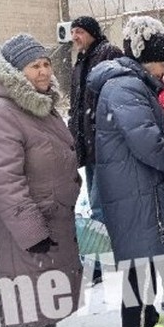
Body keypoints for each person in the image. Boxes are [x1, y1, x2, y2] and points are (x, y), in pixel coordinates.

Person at [88, 16, 164, 327]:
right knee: (137, 283)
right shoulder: (125, 86)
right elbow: (148, 143)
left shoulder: (133, 85)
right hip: (136, 198)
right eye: (162, 62)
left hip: (141, 194)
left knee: (143, 279)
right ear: (144, 59)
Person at [0, 33, 87, 327]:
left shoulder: (41, 106)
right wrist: (31, 231)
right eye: (32, 66)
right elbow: (4, 179)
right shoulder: (2, 111)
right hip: (24, 226)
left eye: (45, 64)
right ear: (13, 72)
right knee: (25, 299)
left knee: (47, 294)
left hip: (53, 219)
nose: (42, 72)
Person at [67, 17, 124, 285]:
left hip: (104, 145)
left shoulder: (107, 54)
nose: (75, 36)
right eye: (73, 32)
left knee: (101, 205)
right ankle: (107, 255)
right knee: (98, 202)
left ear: (91, 33)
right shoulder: (81, 61)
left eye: (79, 31)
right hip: (90, 147)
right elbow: (77, 107)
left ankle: (101, 262)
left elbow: (114, 98)